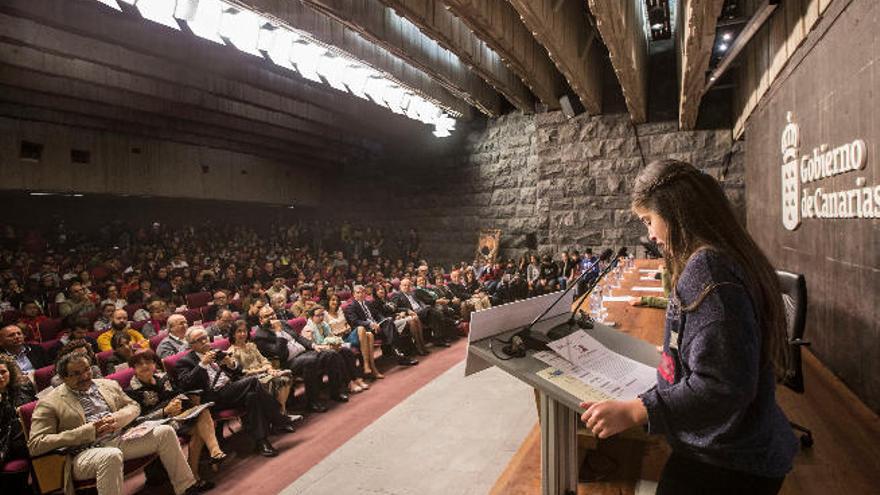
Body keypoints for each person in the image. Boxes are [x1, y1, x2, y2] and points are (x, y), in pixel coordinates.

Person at [578, 160, 797, 495]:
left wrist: (637, 410)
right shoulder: (723, 257)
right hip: (738, 448)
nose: (650, 234)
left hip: (729, 461)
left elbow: (724, 386)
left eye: (649, 221)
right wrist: (676, 355)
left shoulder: (708, 271)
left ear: (675, 213)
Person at [27, 352, 204, 495]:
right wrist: (88, 430)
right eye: (76, 374)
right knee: (110, 455)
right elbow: (36, 444)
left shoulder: (106, 385)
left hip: (120, 437)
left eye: (87, 370)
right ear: (63, 378)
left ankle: (186, 487)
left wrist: (118, 419)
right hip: (83, 453)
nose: (84, 376)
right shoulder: (50, 403)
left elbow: (133, 406)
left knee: (164, 431)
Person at [173, 326, 298, 457]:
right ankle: (279, 417)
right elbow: (185, 383)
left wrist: (230, 363)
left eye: (205, 338)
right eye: (199, 340)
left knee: (253, 396)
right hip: (213, 397)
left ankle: (262, 442)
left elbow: (239, 370)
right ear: (191, 345)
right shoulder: (185, 362)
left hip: (231, 390)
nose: (204, 342)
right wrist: (202, 365)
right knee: (253, 382)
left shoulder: (215, 352)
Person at [126, 350, 224, 491]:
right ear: (133, 368)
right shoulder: (131, 391)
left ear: (155, 364)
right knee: (199, 430)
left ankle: (214, 453)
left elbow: (179, 392)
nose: (145, 366)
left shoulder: (163, 377)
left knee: (203, 411)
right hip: (159, 426)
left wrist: (180, 400)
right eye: (139, 364)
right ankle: (195, 475)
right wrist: (165, 411)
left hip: (179, 416)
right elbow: (137, 421)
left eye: (148, 362)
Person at [253, 306, 348, 412]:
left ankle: (336, 392)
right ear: (261, 320)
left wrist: (313, 345)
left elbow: (298, 337)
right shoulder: (260, 336)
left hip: (305, 353)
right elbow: (279, 354)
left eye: (272, 314)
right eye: (267, 316)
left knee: (331, 354)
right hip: (287, 362)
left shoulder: (283, 323)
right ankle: (312, 402)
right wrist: (278, 332)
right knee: (310, 361)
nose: (271, 317)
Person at [228, 319, 294, 414]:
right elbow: (242, 371)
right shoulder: (232, 352)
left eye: (245, 331)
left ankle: (282, 411)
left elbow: (263, 360)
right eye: (239, 331)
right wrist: (263, 370)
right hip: (250, 378)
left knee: (286, 377)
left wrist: (270, 369)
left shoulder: (251, 346)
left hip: (264, 372)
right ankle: (280, 414)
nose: (243, 334)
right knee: (278, 381)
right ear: (233, 334)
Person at [302, 306, 368, 394]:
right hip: (317, 354)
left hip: (329, 349)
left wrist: (335, 344)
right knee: (338, 355)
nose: (321, 317)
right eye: (318, 315)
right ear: (311, 317)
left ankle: (356, 379)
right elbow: (312, 346)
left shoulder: (324, 325)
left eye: (322, 314)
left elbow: (331, 337)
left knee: (346, 351)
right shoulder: (308, 329)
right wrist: (328, 347)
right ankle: (349, 383)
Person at [0, 355, 37, 493]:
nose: (0, 377)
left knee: (19, 426)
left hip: (27, 433)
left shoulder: (23, 388)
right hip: (6, 439)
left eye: (3, 372)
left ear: (10, 372)